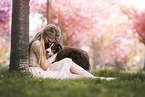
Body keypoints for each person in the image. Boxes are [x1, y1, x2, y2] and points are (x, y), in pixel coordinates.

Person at [28, 24, 115, 80]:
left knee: (68, 62)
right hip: (38, 73)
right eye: (50, 40)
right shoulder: (37, 44)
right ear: (45, 35)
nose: (50, 43)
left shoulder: (39, 43)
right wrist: (54, 56)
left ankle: (97, 78)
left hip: (41, 70)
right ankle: (99, 79)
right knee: (70, 72)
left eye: (52, 41)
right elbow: (44, 66)